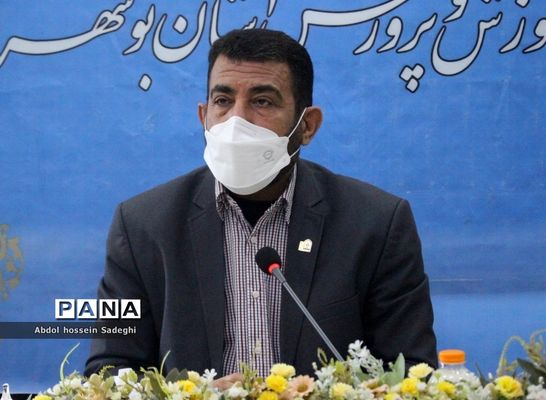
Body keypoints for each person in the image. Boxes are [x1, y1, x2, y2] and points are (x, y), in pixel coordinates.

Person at [85, 28, 436, 380]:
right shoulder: (142, 226)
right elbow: (109, 370)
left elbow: (411, 372)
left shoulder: (376, 224)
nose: (237, 121)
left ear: (307, 126)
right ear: (203, 117)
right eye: (223, 101)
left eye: (262, 101)